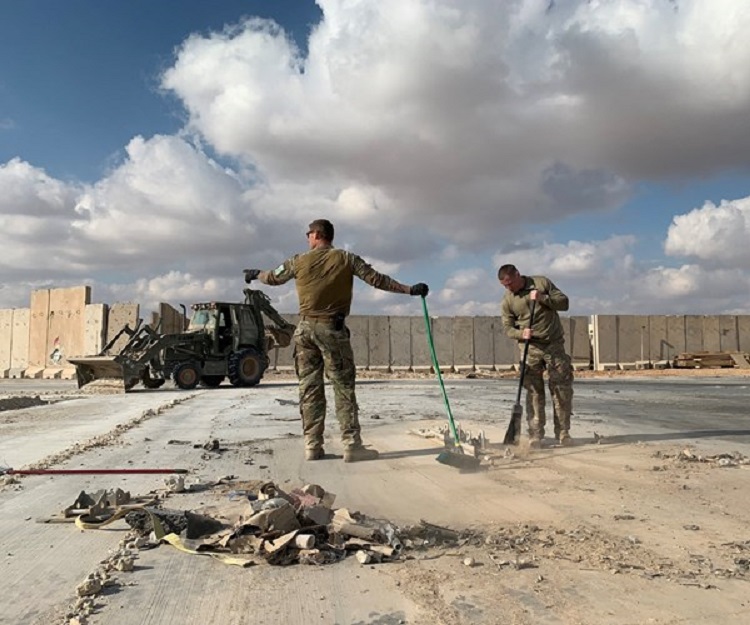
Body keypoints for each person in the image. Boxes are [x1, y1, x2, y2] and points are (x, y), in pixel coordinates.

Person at [244, 219, 429, 463]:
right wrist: (409, 290)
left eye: (308, 234)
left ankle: (312, 445)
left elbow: (273, 277)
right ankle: (351, 445)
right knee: (343, 387)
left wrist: (256, 274)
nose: (307, 238)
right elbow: (377, 279)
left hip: (305, 331)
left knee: (309, 389)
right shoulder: (346, 259)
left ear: (317, 234)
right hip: (331, 330)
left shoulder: (297, 261)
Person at [498, 264, 574, 447]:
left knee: (561, 390)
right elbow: (508, 328)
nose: (509, 288)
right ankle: (535, 434)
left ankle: (563, 432)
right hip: (530, 348)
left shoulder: (541, 283)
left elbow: (564, 303)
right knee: (533, 392)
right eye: (505, 286)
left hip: (553, 345)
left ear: (518, 275)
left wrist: (543, 298)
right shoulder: (508, 300)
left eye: (510, 283)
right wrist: (521, 333)